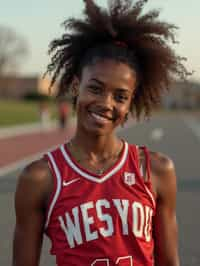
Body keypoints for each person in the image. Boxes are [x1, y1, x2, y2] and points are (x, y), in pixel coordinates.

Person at [13, 0, 188, 265]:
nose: (106, 103)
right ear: (75, 86)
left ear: (131, 103)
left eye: (120, 96)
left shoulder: (156, 170)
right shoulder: (40, 178)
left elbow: (170, 261)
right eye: (95, 88)